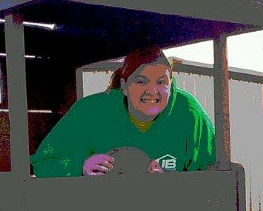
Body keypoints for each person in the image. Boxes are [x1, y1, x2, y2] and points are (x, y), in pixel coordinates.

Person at [30, 46, 215, 177]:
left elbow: (212, 172)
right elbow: (45, 162)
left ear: (171, 83)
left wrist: (168, 183)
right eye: (141, 81)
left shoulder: (189, 113)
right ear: (124, 85)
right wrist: (81, 167)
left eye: (161, 82)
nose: (152, 91)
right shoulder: (89, 112)